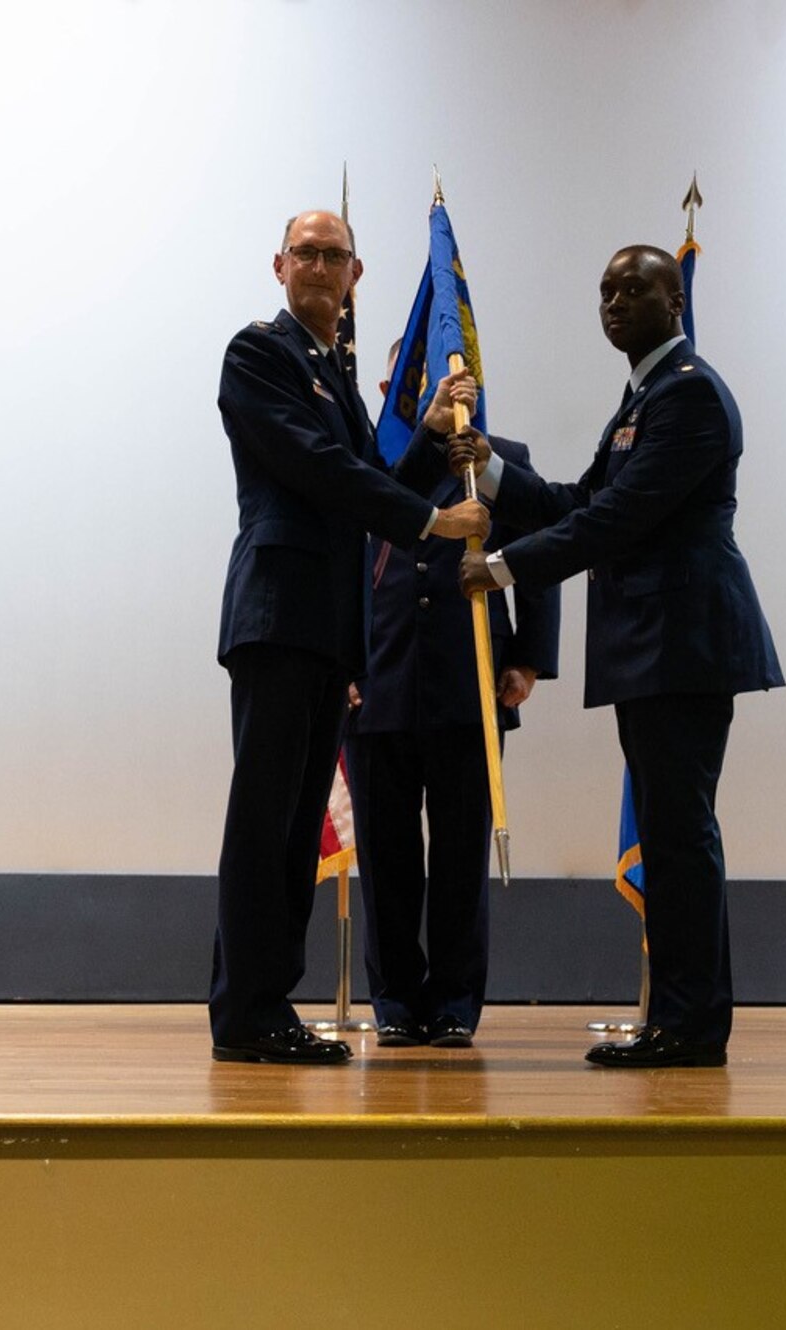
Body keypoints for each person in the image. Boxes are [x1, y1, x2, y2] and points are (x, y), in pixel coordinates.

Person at [455, 245, 783, 1069]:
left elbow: (620, 519)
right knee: (673, 835)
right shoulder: (640, 399)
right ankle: (682, 1018)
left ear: (676, 301)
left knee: (679, 835)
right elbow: (578, 502)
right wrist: (488, 467)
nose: (613, 302)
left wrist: (500, 568)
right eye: (604, 290)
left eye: (633, 289)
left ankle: (691, 1024)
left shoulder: (692, 395)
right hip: (651, 646)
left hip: (687, 643)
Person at [210, 209, 488, 1065]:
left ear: (356, 275)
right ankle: (245, 1011)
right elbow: (318, 472)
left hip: (330, 628)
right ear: (279, 265)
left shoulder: (332, 369)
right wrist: (434, 525)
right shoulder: (259, 355)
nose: (320, 268)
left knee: (296, 829)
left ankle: (268, 1009)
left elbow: (366, 480)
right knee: (265, 823)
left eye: (335, 257)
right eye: (307, 254)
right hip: (278, 615)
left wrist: (433, 434)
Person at [345, 342, 561, 1049]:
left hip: (469, 679)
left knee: (462, 853)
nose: (431, 390)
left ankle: (455, 1003)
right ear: (389, 385)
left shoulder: (503, 458)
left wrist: (529, 660)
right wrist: (339, 661)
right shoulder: (364, 459)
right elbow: (345, 563)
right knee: (387, 854)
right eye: (412, 379)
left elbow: (543, 559)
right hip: (376, 679)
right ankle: (397, 1001)